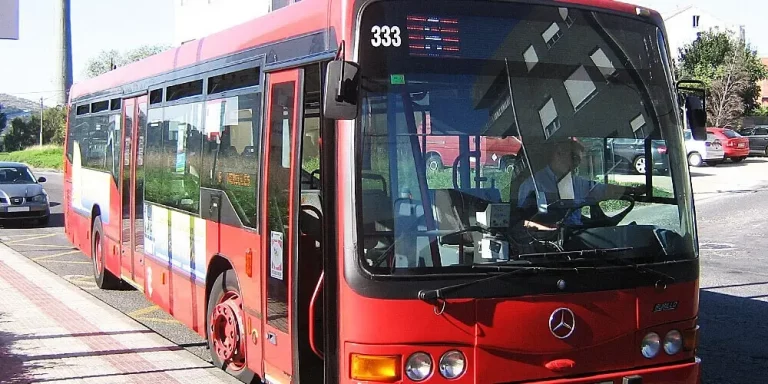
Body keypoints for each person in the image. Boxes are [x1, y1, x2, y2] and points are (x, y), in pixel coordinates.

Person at [516, 138, 643, 230]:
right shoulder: (533, 184)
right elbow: (524, 222)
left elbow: (604, 190)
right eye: (574, 158)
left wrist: (633, 190)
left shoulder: (577, 183)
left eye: (579, 161)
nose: (577, 164)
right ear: (559, 153)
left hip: (576, 236)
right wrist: (550, 230)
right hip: (547, 242)